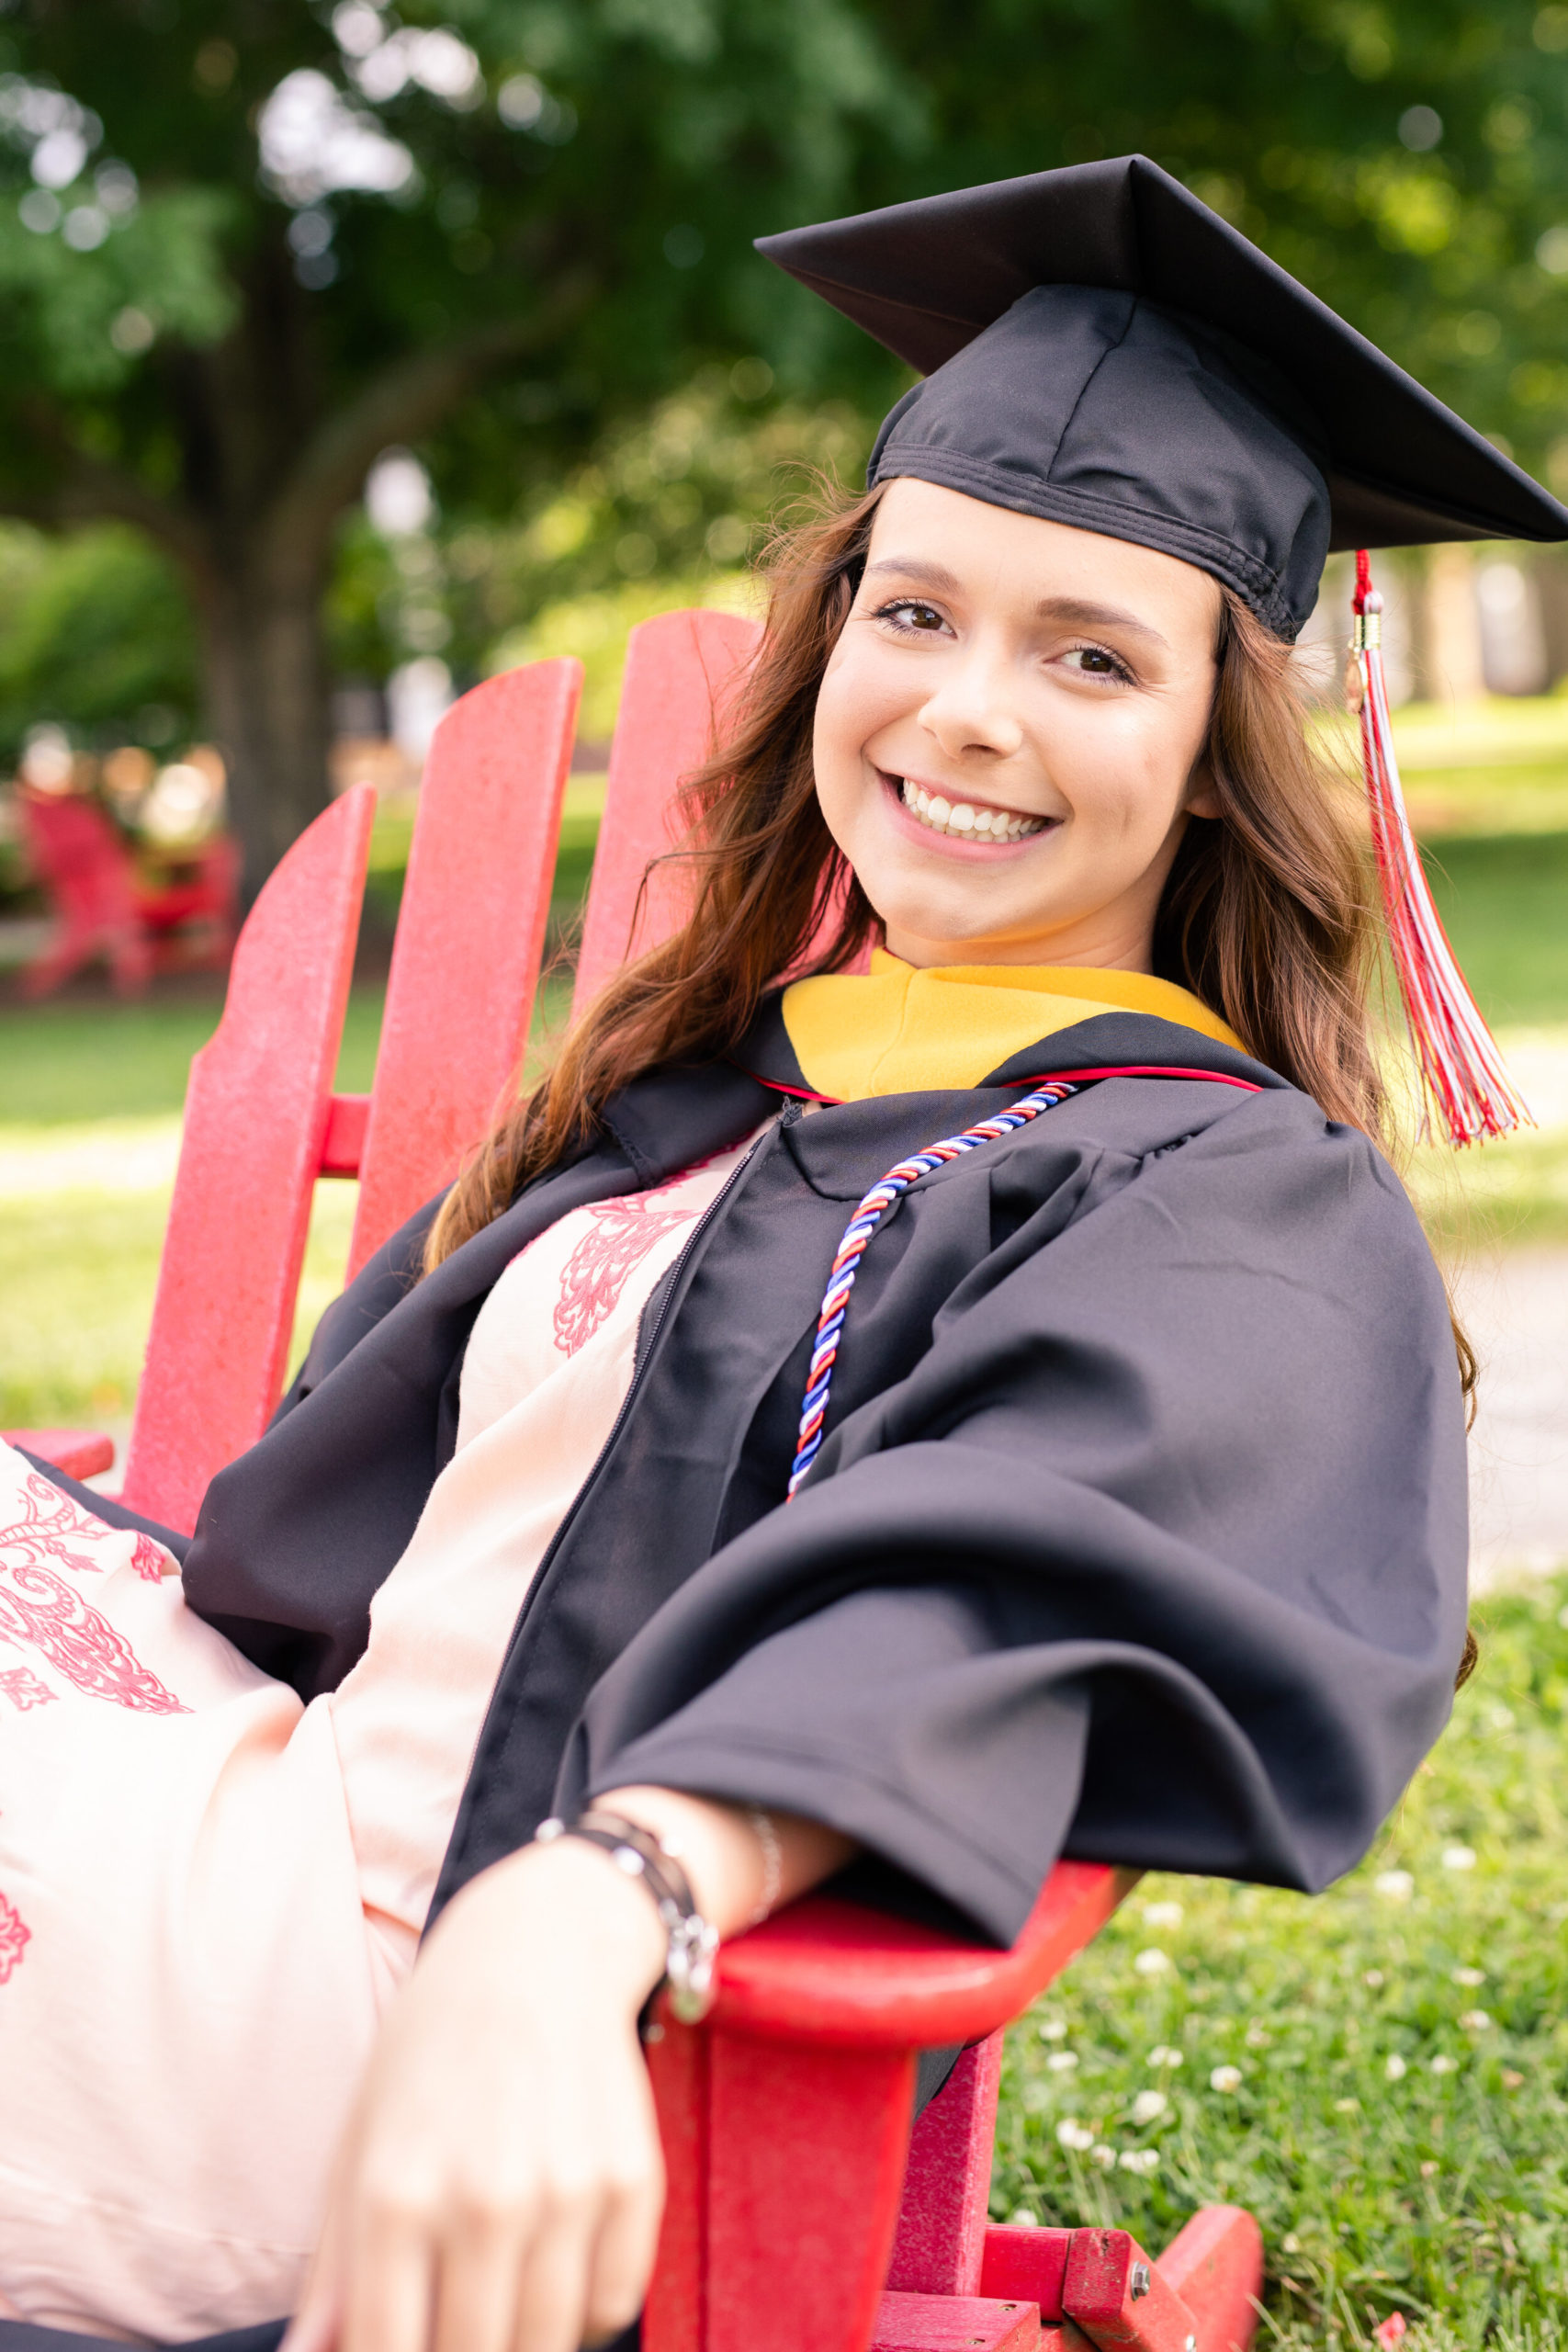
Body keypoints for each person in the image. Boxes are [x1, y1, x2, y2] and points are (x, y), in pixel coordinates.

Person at [2, 155, 1562, 2352]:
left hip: (422, 2018)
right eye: (910, 612)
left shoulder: (1209, 1194)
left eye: (1087, 653)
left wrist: (608, 1894)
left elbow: (1001, 1572)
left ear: (1218, 758)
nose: (958, 709)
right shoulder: (734, 1072)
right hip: (246, 1833)